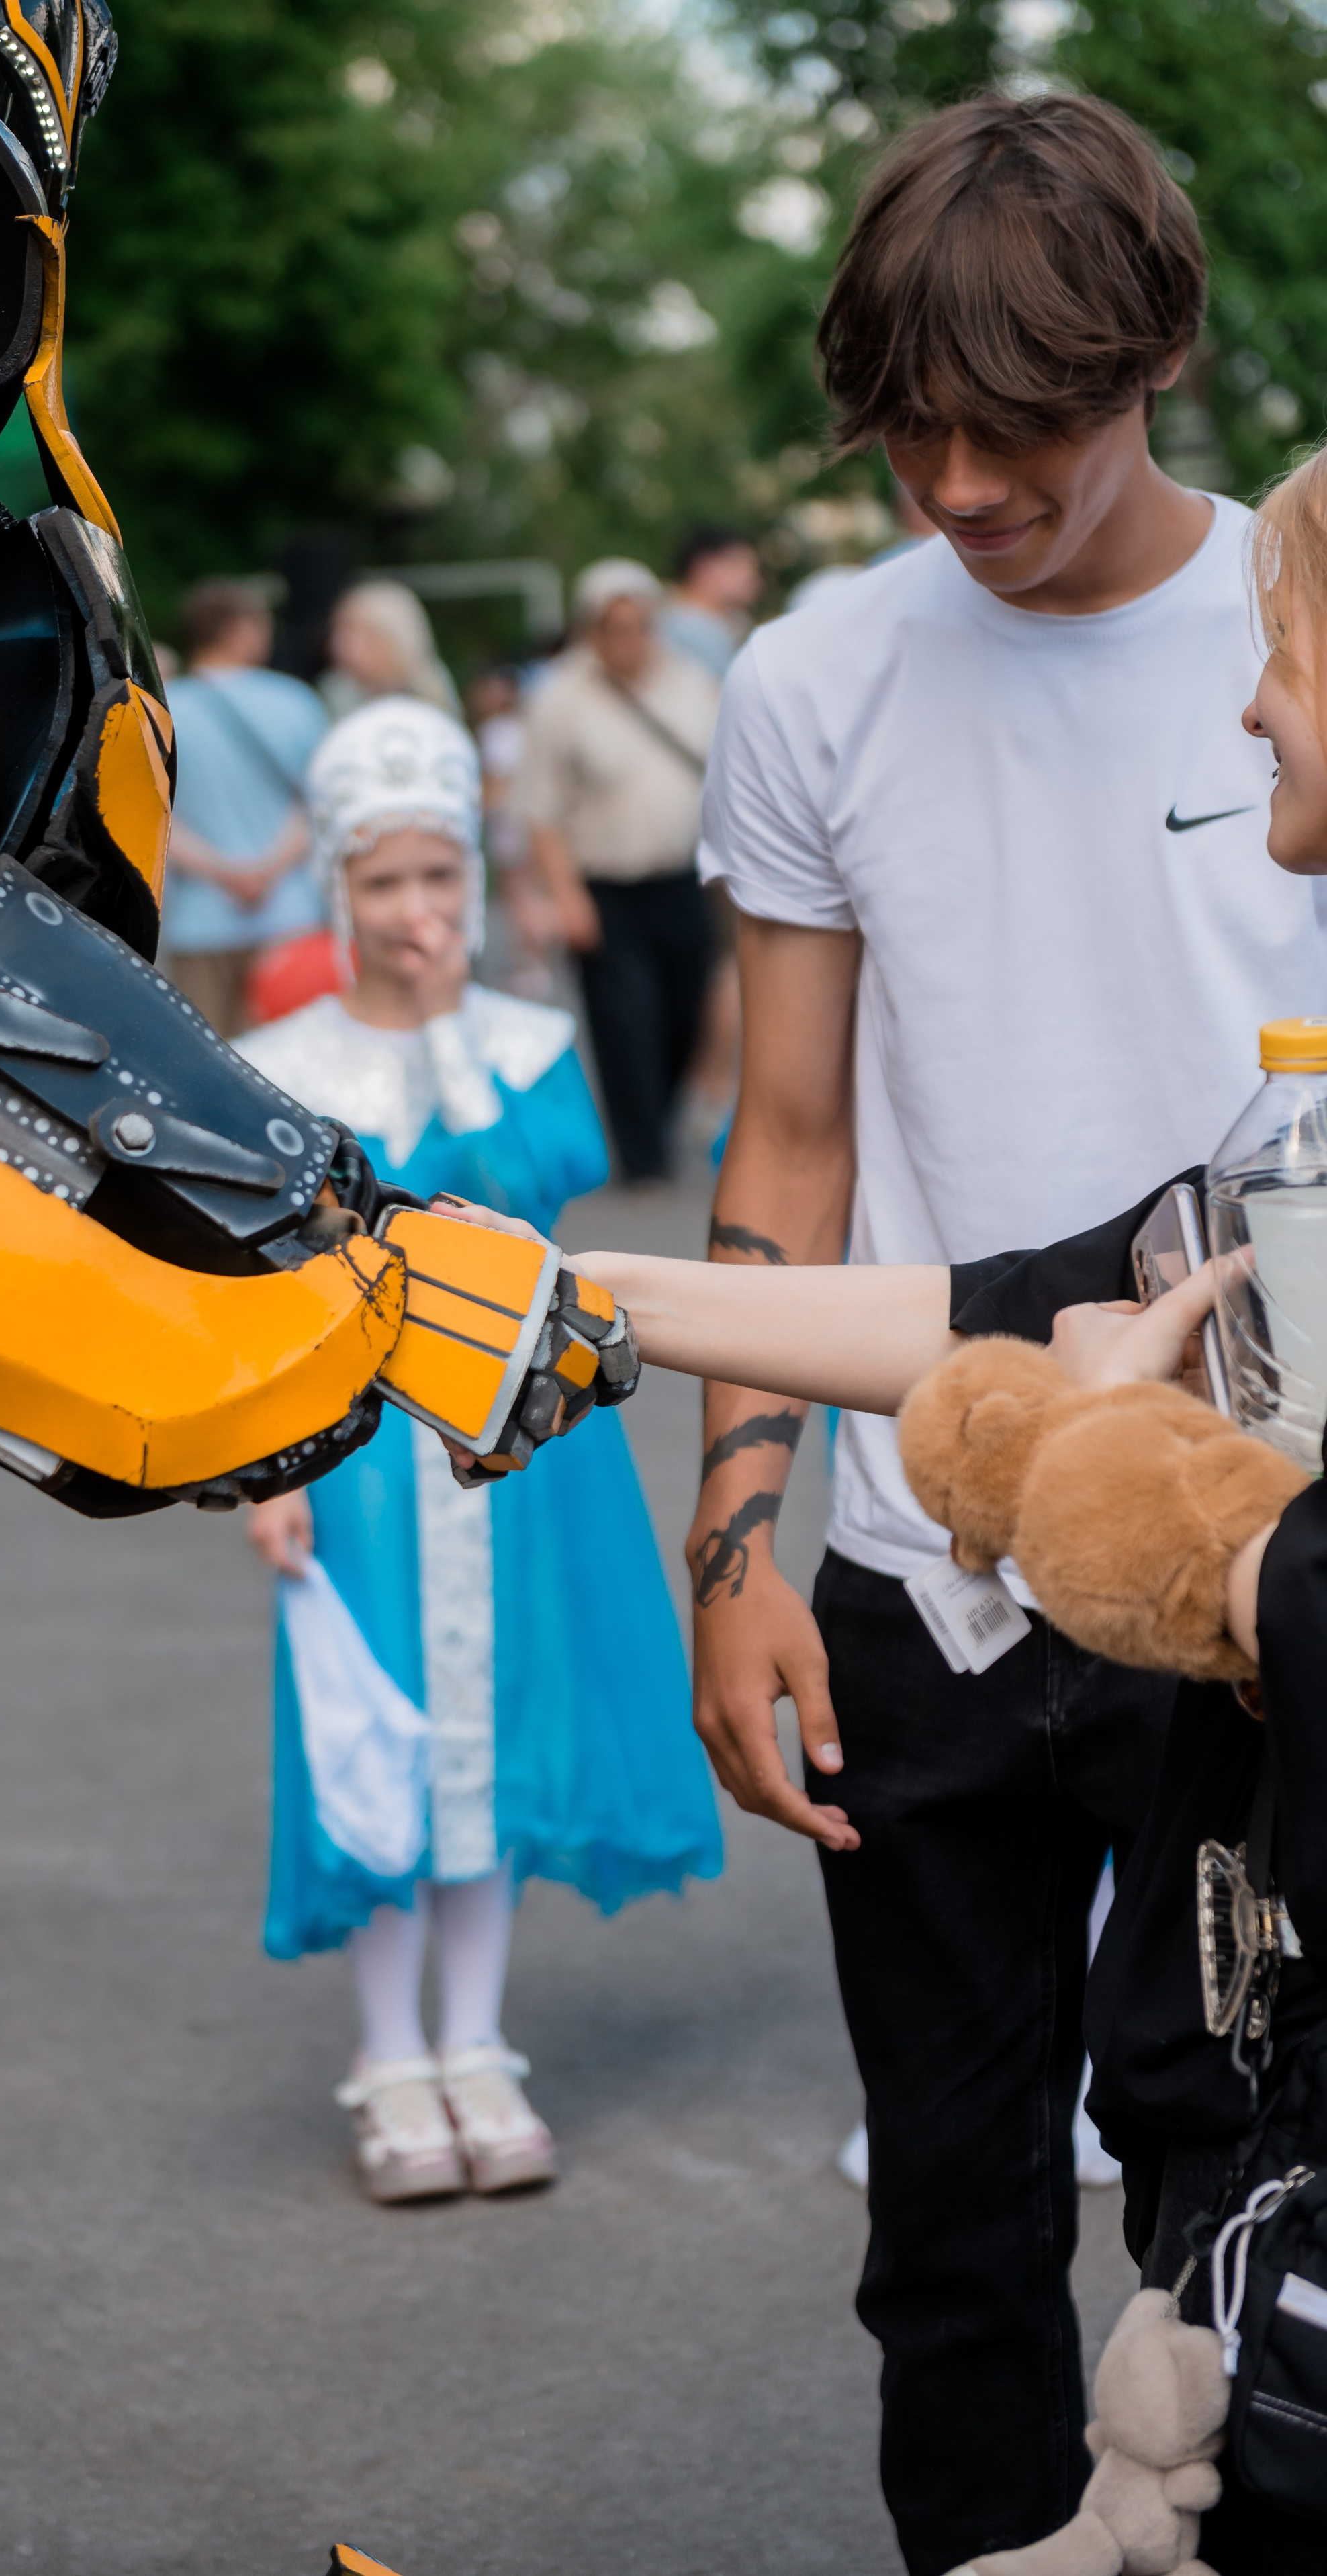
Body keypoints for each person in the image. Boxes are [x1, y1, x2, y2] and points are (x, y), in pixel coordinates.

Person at [689, 92, 1327, 2576]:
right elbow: (783, 1144)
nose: (955, 483)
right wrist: (734, 1542)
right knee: (943, 2236)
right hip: (915, 1555)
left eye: (1015, 429)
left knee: (1229, 2198)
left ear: (1148, 355)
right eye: (905, 428)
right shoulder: (809, 677)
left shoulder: (1288, 625)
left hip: (1226, 1565)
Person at [236, 697, 723, 2205]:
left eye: (438, 875)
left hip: (520, 1448)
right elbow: (261, 1288)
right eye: (383, 880)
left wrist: (451, 1029)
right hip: (359, 1458)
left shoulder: (524, 1041)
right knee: (379, 1741)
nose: (414, 907)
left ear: (473, 877)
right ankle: (391, 2053)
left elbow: (540, 1191)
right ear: (338, 889)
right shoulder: (279, 1062)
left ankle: (476, 2040)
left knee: (500, 1733)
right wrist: (270, 1474)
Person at [515, 558, 721, 1182]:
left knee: (686, 1010)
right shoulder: (560, 697)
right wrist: (564, 896)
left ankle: (659, 1118)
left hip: (681, 878)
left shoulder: (691, 682)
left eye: (641, 625)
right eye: (616, 628)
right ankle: (642, 1155)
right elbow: (540, 810)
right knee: (626, 1020)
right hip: (605, 884)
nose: (630, 640)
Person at [161, 578, 328, 1035]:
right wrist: (267, 870)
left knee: (213, 1057)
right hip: (290, 914)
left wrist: (224, 873)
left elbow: (157, 818)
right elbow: (318, 806)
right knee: (298, 1053)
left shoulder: (163, 710)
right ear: (242, 630)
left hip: (200, 919)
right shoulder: (295, 701)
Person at [321, 578, 462, 718]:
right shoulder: (335, 692)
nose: (340, 644)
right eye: (340, 631)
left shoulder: (430, 689)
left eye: (362, 634)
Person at [663, 523, 763, 678]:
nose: (750, 574)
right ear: (702, 566)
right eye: (737, 563)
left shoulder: (734, 621)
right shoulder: (683, 629)